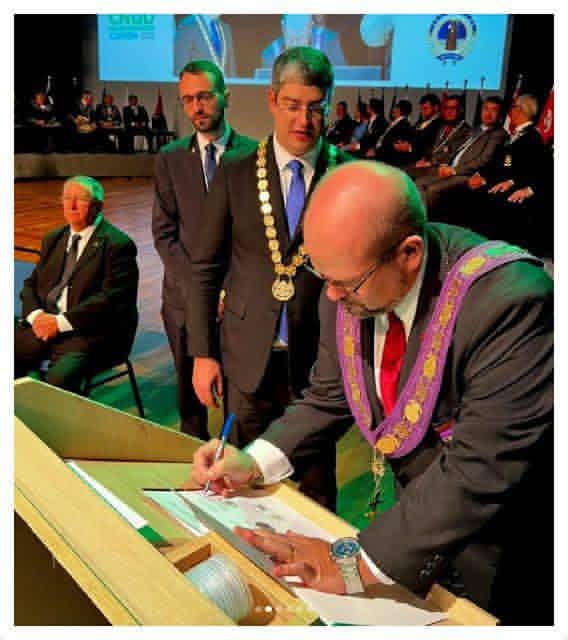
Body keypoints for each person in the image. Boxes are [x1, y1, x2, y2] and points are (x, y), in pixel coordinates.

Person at [191, 160, 553, 625]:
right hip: (416, 520)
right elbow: (330, 393)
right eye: (323, 276)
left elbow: (481, 466)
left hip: (500, 540)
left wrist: (354, 564)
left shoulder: (511, 301)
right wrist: (253, 461)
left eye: (345, 282)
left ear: (409, 253)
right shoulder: (348, 281)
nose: (331, 296)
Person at [187, 47, 352, 509]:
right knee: (241, 482)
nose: (304, 120)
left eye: (315, 108)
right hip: (246, 354)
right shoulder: (236, 170)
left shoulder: (346, 176)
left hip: (318, 361)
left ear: (329, 104)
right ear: (272, 100)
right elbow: (205, 268)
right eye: (293, 105)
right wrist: (203, 353)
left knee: (317, 489)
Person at [152, 60, 256, 439]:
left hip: (238, 302)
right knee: (190, 404)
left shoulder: (255, 155)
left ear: (226, 96)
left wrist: (227, 291)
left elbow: (257, 239)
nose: (197, 107)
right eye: (188, 99)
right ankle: (191, 461)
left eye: (205, 96)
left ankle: (237, 463)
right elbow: (164, 234)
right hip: (183, 301)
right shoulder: (169, 158)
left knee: (240, 404)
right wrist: (202, 293)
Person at [15, 176, 139, 393]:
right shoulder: (53, 238)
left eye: (80, 199)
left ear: (98, 206)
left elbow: (111, 301)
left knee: (58, 381)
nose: (71, 205)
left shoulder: (118, 245)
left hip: (90, 334)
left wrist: (59, 323)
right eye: (67, 198)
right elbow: (31, 284)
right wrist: (37, 317)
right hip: (45, 324)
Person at [466, 94, 552, 257]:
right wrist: (481, 176)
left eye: (513, 107)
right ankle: (475, 245)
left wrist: (514, 183)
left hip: (521, 189)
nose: (509, 111)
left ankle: (490, 251)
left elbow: (536, 171)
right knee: (472, 192)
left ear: (521, 110)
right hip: (502, 182)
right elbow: (497, 163)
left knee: (493, 200)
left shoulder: (532, 137)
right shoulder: (514, 135)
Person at [413, 96, 507, 215]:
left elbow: (484, 160)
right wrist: (445, 165)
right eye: (485, 109)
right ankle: (417, 219)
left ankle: (427, 222)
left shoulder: (498, 133)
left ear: (500, 114)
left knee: (432, 190)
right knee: (419, 183)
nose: (488, 113)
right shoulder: (475, 129)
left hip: (466, 174)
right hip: (451, 169)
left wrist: (454, 170)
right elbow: (455, 150)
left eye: (493, 110)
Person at [406, 94, 471, 177]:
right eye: (446, 108)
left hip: (444, 169)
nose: (449, 111)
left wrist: (430, 162)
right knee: (402, 171)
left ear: (461, 110)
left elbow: (452, 154)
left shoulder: (466, 131)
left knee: (405, 175)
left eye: (453, 108)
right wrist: (425, 158)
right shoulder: (443, 128)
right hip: (430, 165)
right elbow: (435, 149)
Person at [261, 15, 346, 69]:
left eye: (301, 37)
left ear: (311, 26)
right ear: (283, 27)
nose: (297, 45)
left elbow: (342, 80)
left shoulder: (328, 41)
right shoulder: (271, 53)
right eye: (292, 38)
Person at [366, 98, 414, 167]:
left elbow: (392, 145)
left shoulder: (403, 125)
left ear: (399, 110)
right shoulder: (395, 123)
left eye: (395, 107)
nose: (393, 109)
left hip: (387, 159)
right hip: (379, 153)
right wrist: (374, 149)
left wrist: (376, 152)